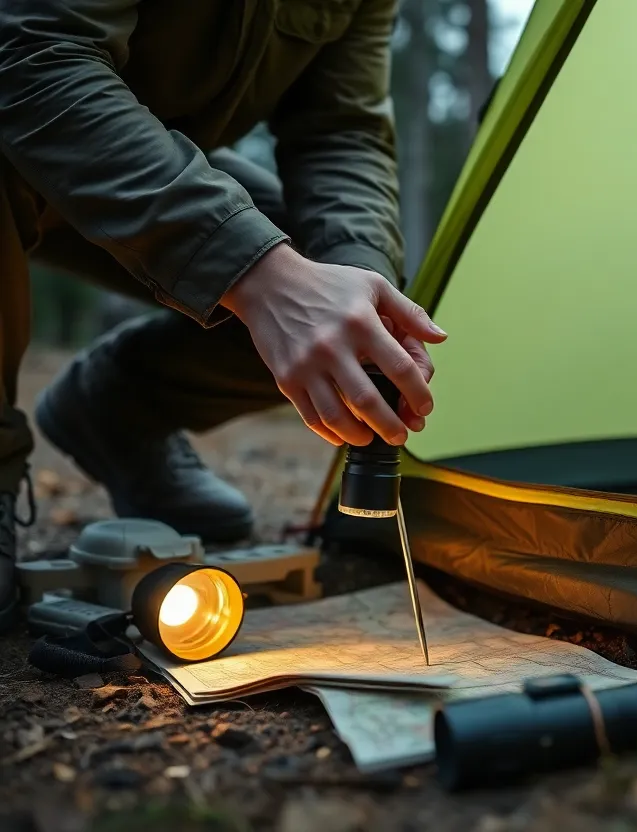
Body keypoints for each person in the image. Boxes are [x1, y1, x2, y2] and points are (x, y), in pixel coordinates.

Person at [0, 0, 447, 631]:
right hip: (28, 113)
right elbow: (30, 57)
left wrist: (359, 286)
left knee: (360, 290)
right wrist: (258, 272)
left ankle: (118, 411)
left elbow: (341, 130)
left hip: (139, 160)